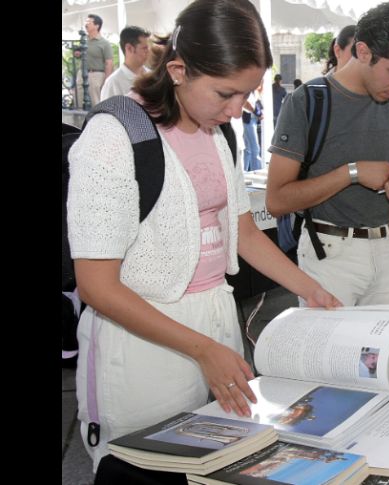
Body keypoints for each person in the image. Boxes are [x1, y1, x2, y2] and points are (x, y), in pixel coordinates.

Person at [67, 0, 341, 472]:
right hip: (144, 336)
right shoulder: (116, 135)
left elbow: (243, 231)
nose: (238, 109)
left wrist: (310, 289)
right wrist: (201, 349)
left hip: (214, 320)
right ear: (177, 70)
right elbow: (96, 285)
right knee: (145, 462)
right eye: (225, 93)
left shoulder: (218, 133)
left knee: (219, 461)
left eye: (247, 93)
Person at [266, 0, 389, 307]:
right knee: (327, 355)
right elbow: (277, 201)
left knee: (380, 353)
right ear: (363, 51)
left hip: (386, 248)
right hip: (330, 254)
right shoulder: (307, 101)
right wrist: (352, 173)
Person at [100, 26, 151, 100]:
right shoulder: (113, 83)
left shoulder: (152, 76)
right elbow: (106, 111)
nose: (148, 52)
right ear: (129, 48)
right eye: (144, 48)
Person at [83, 14, 114, 107]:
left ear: (97, 26)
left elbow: (109, 63)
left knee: (96, 103)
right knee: (78, 103)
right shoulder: (83, 41)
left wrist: (106, 81)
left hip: (96, 75)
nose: (86, 24)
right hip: (82, 74)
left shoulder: (105, 43)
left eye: (89, 22)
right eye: (86, 21)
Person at [242, 84, 263, 171]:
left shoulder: (254, 92)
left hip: (250, 119)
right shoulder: (247, 90)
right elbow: (248, 105)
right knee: (254, 147)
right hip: (249, 119)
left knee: (248, 148)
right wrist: (258, 113)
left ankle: (245, 171)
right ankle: (257, 170)